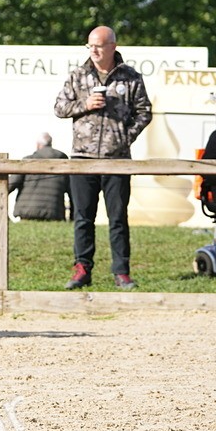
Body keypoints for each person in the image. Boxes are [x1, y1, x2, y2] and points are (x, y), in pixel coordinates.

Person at [54, 26, 151, 290]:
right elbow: (59, 108)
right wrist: (84, 105)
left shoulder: (130, 78)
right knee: (83, 217)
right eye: (90, 46)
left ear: (113, 47)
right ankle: (82, 269)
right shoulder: (78, 75)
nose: (94, 50)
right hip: (82, 158)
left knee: (118, 218)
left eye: (98, 45)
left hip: (117, 159)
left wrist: (123, 137)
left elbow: (144, 112)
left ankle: (122, 272)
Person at [8, 133, 69, 221]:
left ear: (38, 145)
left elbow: (9, 186)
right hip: (54, 214)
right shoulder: (63, 163)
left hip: (28, 212)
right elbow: (73, 192)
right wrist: (72, 218)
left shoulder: (27, 162)